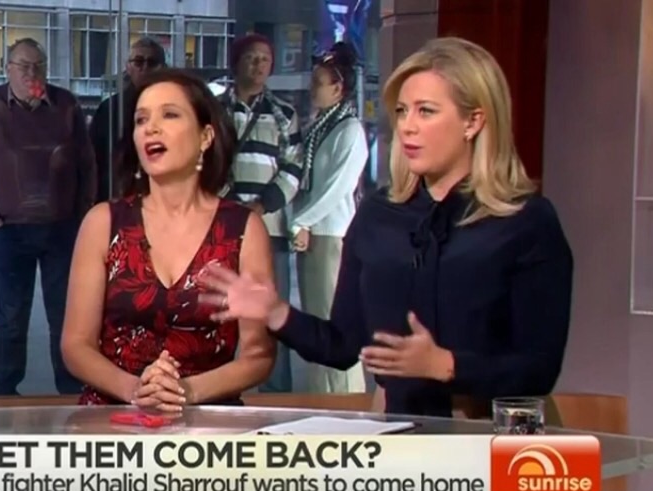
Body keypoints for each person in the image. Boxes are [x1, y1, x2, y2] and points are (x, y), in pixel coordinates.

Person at [199, 37, 574, 417]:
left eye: (426, 111)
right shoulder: (377, 217)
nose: (407, 127)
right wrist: (276, 313)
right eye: (402, 111)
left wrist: (446, 366)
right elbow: (342, 346)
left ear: (473, 121)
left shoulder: (526, 223)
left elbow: (538, 369)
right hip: (401, 429)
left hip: (496, 435)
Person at [61, 68, 275, 410]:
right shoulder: (103, 223)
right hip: (113, 416)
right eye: (141, 119)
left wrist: (185, 391)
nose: (151, 128)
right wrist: (137, 390)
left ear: (205, 136)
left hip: (208, 420)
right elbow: (76, 345)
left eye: (170, 115)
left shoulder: (244, 230)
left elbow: (258, 355)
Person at [0, 38, 95, 396]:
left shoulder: (66, 105)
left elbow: (87, 164)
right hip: (10, 229)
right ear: (7, 69)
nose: (31, 73)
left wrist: (83, 215)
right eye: (23, 66)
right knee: (10, 315)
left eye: (38, 65)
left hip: (61, 228)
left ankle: (69, 387)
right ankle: (6, 388)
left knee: (63, 313)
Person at [218, 33, 304, 394]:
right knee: (217, 312)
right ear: (236, 62)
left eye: (265, 59)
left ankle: (276, 395)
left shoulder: (284, 113)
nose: (258, 65)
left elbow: (294, 167)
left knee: (270, 314)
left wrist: (261, 205)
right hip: (220, 226)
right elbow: (201, 160)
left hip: (270, 229)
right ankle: (216, 390)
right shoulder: (213, 109)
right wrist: (229, 204)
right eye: (251, 58)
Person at [291, 43, 369, 394]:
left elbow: (337, 189)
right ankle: (322, 395)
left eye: (318, 83)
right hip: (313, 232)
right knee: (315, 320)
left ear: (338, 88)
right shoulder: (320, 128)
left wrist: (302, 220)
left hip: (332, 233)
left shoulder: (350, 130)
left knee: (332, 322)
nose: (312, 89)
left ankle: (344, 398)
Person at [90, 37, 167, 203]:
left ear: (163, 67)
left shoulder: (173, 107)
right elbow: (94, 158)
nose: (145, 68)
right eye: (138, 62)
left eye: (152, 62)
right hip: (117, 192)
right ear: (128, 67)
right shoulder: (110, 108)